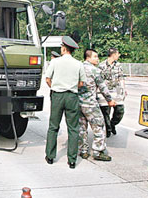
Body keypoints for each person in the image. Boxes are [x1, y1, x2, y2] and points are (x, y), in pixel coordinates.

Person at [45, 36, 86, 169]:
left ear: (63, 48)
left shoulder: (55, 62)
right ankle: (72, 160)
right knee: (73, 128)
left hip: (57, 95)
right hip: (72, 96)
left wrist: (55, 87)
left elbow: (47, 79)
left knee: (53, 126)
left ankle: (50, 156)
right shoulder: (79, 64)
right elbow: (81, 83)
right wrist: (71, 86)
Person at [78, 49, 116, 161]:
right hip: (90, 104)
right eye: (95, 57)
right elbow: (103, 87)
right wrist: (110, 100)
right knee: (99, 126)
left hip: (78, 103)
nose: (97, 59)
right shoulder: (95, 70)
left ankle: (83, 150)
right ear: (88, 58)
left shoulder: (78, 68)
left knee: (81, 128)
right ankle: (98, 151)